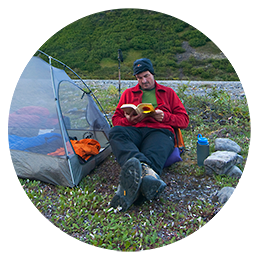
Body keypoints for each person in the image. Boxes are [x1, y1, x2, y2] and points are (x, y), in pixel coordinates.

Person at [109, 58, 189, 211]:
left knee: (154, 150)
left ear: (152, 74)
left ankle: (129, 191)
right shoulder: (128, 93)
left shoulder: (168, 93)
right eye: (139, 78)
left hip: (159, 131)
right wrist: (129, 120)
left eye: (146, 76)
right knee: (116, 132)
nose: (143, 81)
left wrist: (166, 117)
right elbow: (115, 119)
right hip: (135, 130)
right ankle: (147, 173)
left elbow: (184, 120)